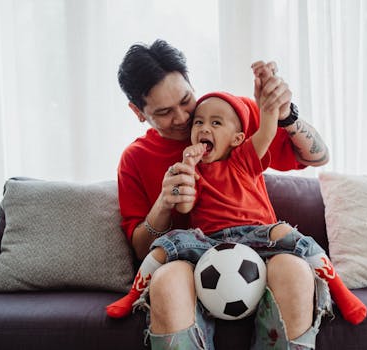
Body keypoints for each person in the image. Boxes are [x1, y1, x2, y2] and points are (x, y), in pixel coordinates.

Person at [114, 39, 333, 349]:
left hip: (259, 253)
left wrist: (285, 115)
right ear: (138, 111)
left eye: (185, 100)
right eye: (164, 112)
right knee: (167, 279)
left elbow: (317, 156)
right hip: (191, 262)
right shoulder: (135, 159)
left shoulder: (227, 119)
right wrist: (164, 204)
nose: (183, 118)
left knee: (295, 270)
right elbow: (140, 250)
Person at [107, 88, 367, 329]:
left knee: (288, 233)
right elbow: (185, 206)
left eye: (215, 123)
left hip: (256, 234)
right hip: (208, 242)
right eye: (199, 123)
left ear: (238, 138)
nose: (202, 127)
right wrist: (185, 168)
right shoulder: (193, 170)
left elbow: (267, 132)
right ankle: (133, 295)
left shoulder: (244, 158)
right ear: (139, 111)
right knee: (169, 242)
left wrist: (268, 104)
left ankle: (341, 292)